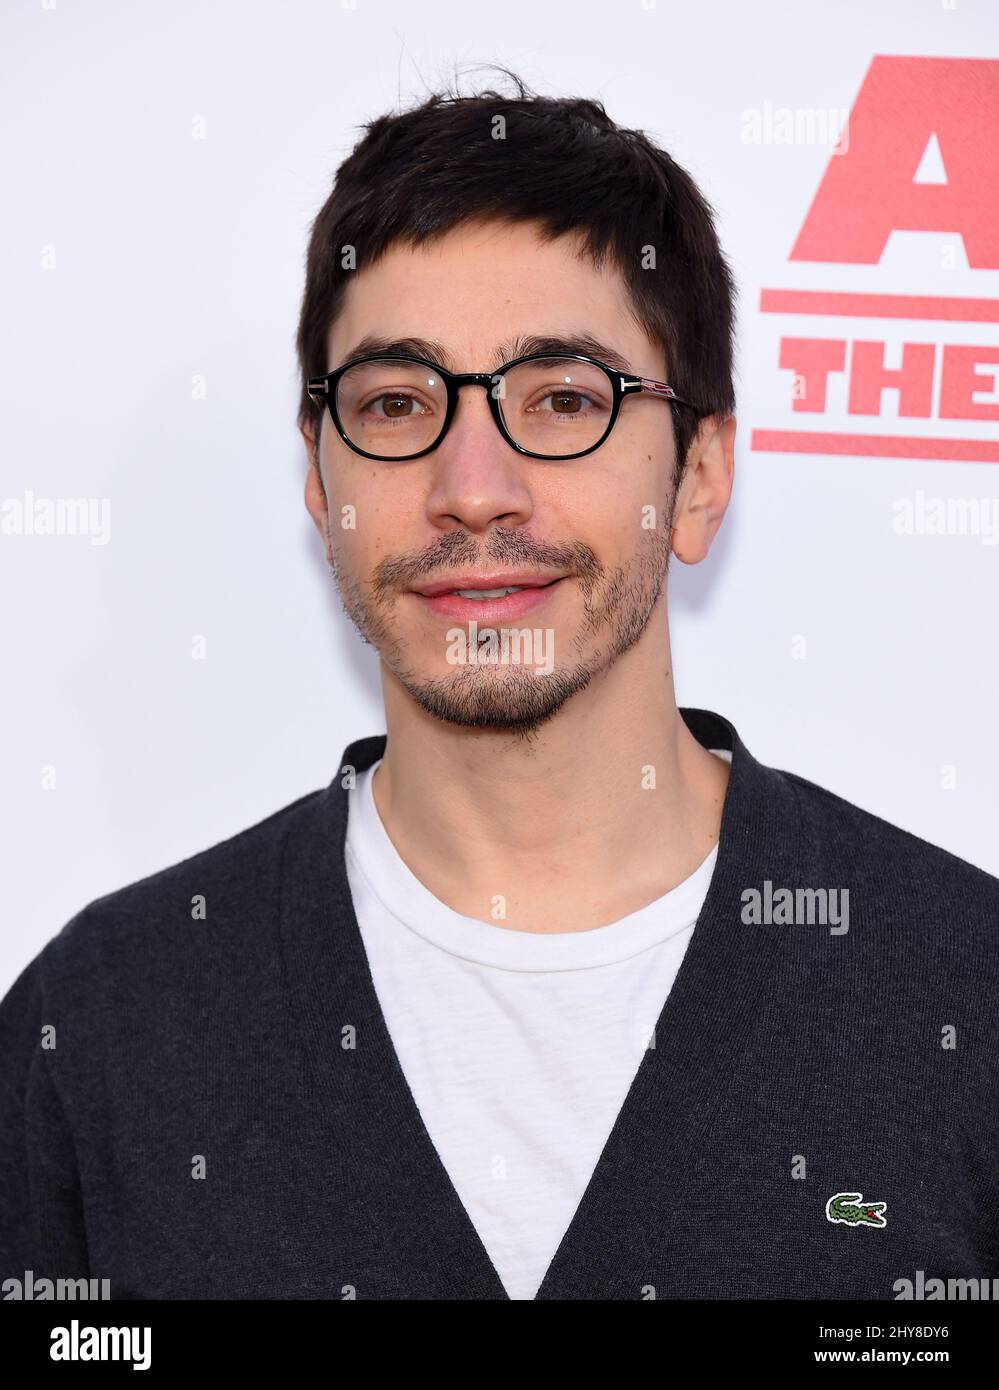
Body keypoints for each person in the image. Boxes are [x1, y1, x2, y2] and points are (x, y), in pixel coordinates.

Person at [2, 72, 997, 1303]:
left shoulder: (964, 995)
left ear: (697, 478)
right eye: (396, 404)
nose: (475, 485)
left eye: (566, 400)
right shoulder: (100, 1027)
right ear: (320, 486)